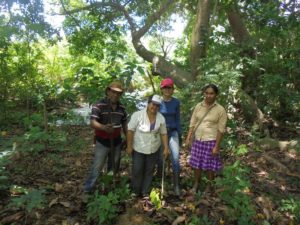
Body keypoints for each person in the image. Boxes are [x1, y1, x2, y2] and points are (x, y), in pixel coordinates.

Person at [84, 81, 128, 192]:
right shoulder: (99, 105)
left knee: (113, 167)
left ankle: (108, 189)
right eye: (113, 92)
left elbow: (124, 123)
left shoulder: (121, 108)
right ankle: (88, 189)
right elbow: (92, 123)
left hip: (117, 142)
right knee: (97, 167)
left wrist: (128, 138)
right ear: (108, 91)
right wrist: (104, 127)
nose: (115, 95)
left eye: (118, 93)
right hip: (102, 142)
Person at [185, 84, 227, 194]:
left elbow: (221, 129)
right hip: (198, 140)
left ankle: (209, 186)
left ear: (216, 95)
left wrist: (217, 146)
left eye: (211, 93)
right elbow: (192, 123)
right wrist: (188, 138)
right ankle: (196, 183)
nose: (209, 95)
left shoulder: (220, 110)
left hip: (211, 141)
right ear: (204, 94)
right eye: (207, 93)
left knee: (210, 165)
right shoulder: (199, 106)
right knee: (196, 164)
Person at [126, 95, 169, 197]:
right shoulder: (137, 115)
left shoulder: (161, 118)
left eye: (157, 105)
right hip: (138, 148)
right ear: (148, 103)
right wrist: (129, 146)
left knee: (149, 170)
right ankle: (135, 191)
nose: (154, 107)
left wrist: (166, 148)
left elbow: (163, 133)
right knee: (137, 169)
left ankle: (145, 191)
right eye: (153, 104)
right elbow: (130, 131)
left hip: (153, 148)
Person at [157, 78, 182, 196]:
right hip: (160, 133)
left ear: (172, 89)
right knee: (161, 158)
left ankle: (176, 185)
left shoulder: (176, 102)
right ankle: (160, 183)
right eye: (165, 88)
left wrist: (179, 134)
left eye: (169, 87)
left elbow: (177, 119)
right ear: (161, 89)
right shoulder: (158, 102)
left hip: (172, 132)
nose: (167, 90)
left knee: (175, 158)